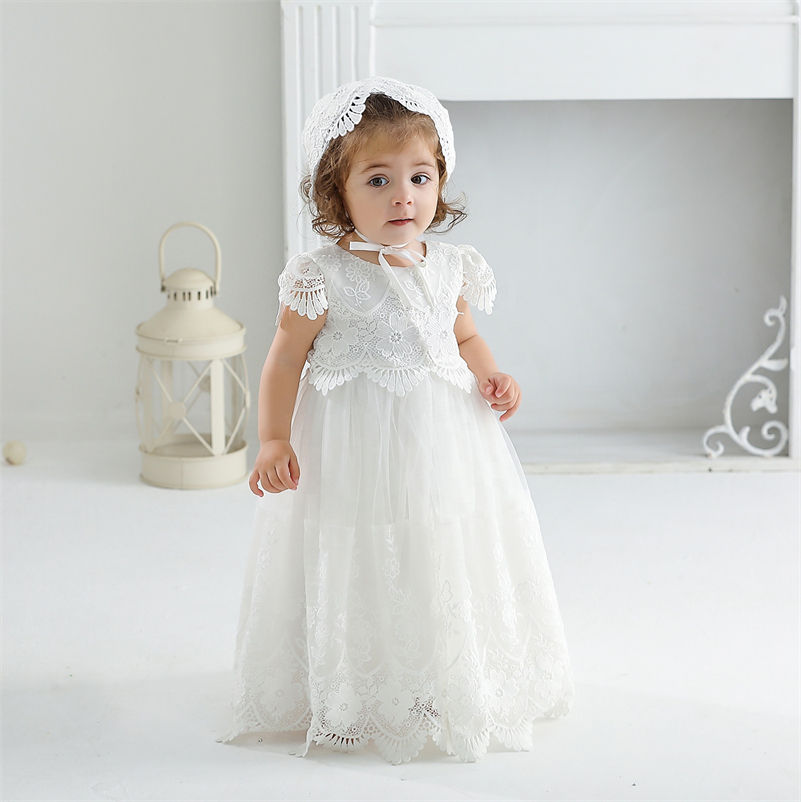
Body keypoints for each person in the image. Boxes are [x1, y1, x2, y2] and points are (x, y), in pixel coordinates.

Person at [217, 76, 575, 764]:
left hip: (442, 439)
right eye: (378, 180)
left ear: (440, 181)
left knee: (437, 541)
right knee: (357, 542)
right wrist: (272, 438)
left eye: (419, 177)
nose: (403, 196)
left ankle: (440, 671)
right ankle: (352, 680)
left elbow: (463, 336)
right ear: (337, 192)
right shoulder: (322, 275)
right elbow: (284, 360)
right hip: (351, 443)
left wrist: (490, 375)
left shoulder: (449, 266)